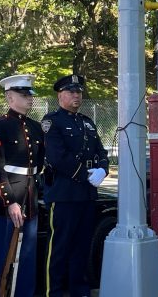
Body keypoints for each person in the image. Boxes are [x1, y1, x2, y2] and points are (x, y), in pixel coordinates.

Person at [42, 74, 109, 297]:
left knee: (82, 247)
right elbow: (57, 157)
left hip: (86, 194)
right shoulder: (52, 122)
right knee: (61, 247)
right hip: (64, 194)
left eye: (79, 92)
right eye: (71, 92)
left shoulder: (87, 122)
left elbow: (101, 151)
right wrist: (84, 174)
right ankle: (57, 291)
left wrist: (102, 169)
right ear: (60, 95)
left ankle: (79, 289)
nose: (76, 96)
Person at [0, 74, 45, 297]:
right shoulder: (0, 125)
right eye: (23, 95)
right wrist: (10, 200)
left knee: (27, 256)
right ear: (10, 98)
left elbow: (39, 164)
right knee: (1, 254)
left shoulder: (36, 127)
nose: (29, 99)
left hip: (29, 195)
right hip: (7, 199)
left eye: (30, 95)